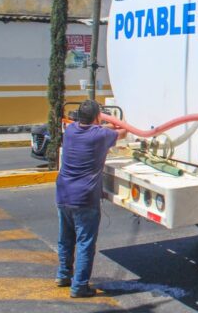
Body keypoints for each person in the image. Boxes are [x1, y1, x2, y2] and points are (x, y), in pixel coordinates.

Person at [55, 100, 126, 298]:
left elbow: (102, 129)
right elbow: (123, 133)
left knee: (66, 238)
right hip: (84, 198)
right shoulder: (100, 135)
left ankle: (63, 275)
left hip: (63, 193)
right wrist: (120, 123)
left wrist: (106, 124)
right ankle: (79, 287)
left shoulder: (70, 131)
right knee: (85, 243)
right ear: (97, 118)